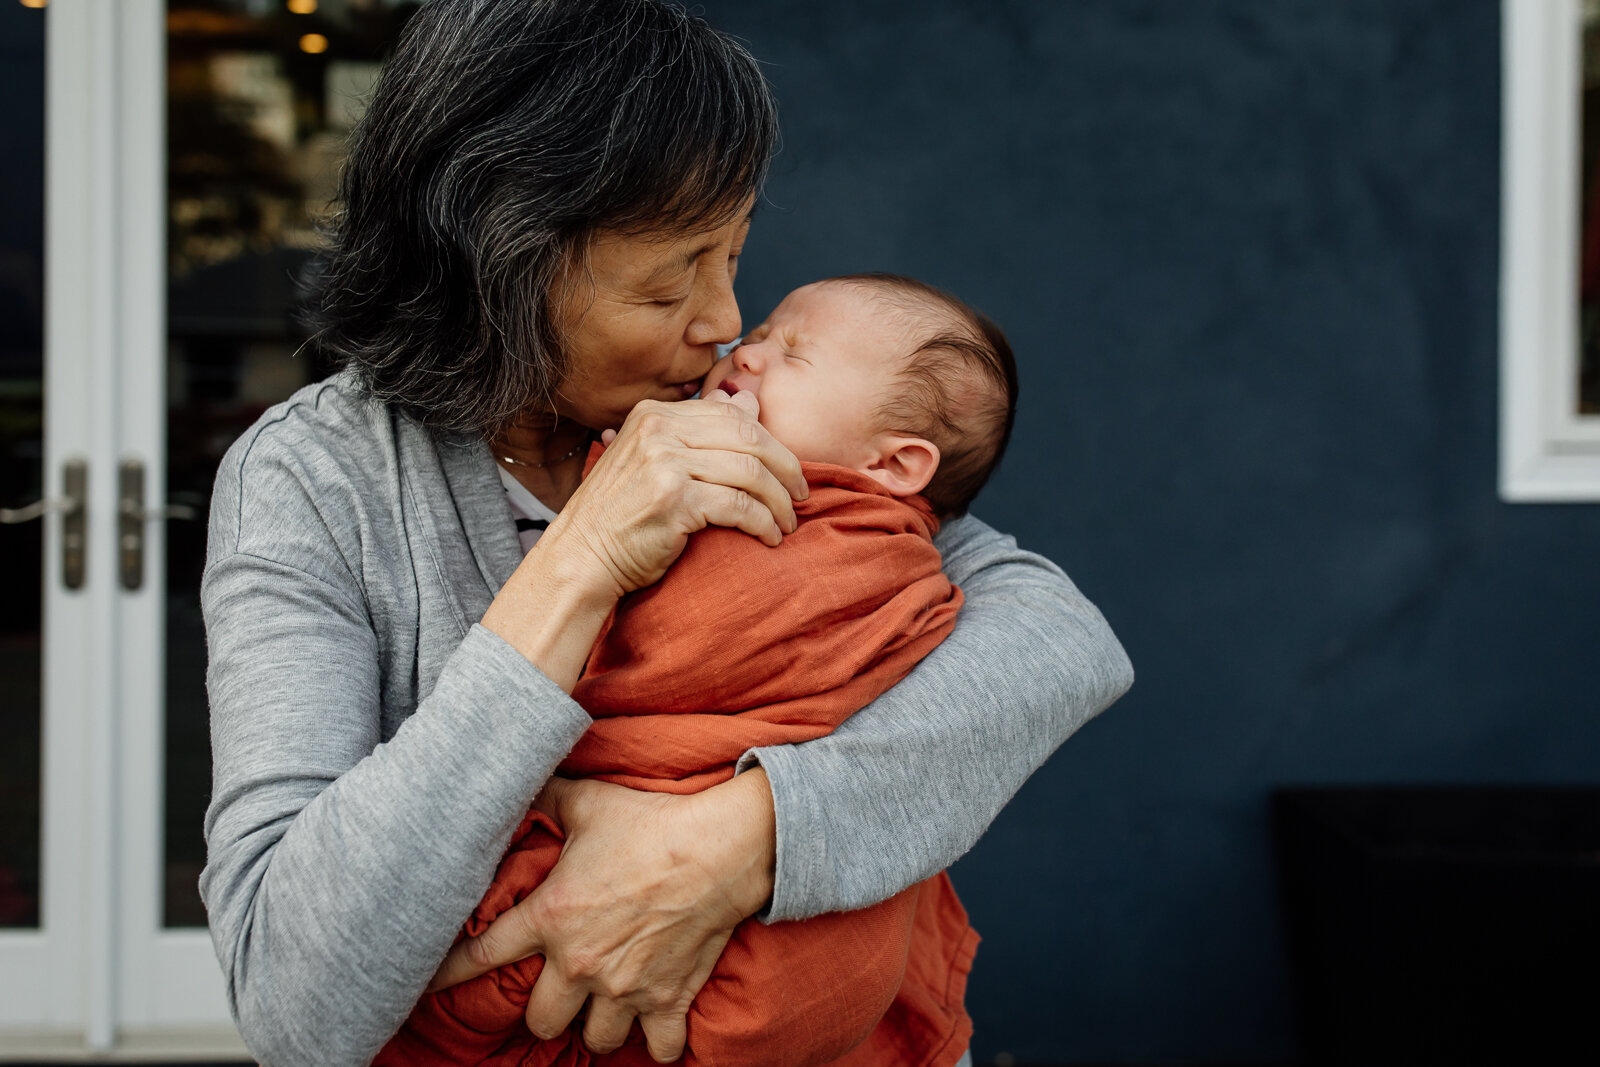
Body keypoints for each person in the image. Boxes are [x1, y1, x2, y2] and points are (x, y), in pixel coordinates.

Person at [199, 3, 1134, 1066]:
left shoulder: (738, 417)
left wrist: (742, 840)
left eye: (732, 255)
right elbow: (295, 1001)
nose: (722, 321)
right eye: (671, 275)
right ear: (506, 261)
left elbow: (1057, 639)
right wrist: (581, 560)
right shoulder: (319, 478)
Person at [383, 273, 1017, 1067]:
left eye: (793, 354)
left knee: (492, 953)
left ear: (894, 463)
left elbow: (685, 646)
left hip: (735, 898)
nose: (741, 348)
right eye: (760, 336)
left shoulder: (845, 542)